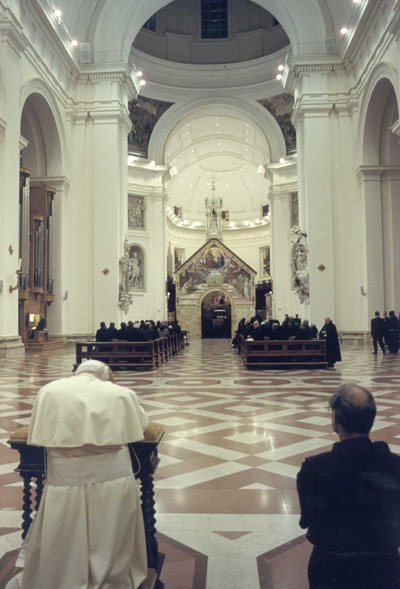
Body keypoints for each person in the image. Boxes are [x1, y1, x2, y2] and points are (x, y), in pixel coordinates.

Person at [7, 359, 148, 589]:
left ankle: (62, 575)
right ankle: (109, 573)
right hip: (111, 476)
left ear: (77, 373)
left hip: (65, 477)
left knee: (64, 529)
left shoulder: (49, 391)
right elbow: (140, 424)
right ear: (107, 375)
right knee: (109, 530)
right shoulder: (120, 393)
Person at [297, 384, 400, 589]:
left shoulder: (314, 468)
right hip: (384, 567)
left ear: (335, 420)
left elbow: (307, 521)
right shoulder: (396, 466)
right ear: (371, 418)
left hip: (331, 567)